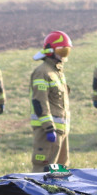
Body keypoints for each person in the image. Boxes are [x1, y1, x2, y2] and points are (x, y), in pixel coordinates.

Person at [29, 31, 72, 172]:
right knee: (43, 171)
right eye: (62, 51)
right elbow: (39, 101)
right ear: (50, 51)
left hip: (60, 131)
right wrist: (48, 127)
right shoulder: (42, 72)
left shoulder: (57, 72)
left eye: (66, 51)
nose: (63, 56)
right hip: (48, 131)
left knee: (60, 170)